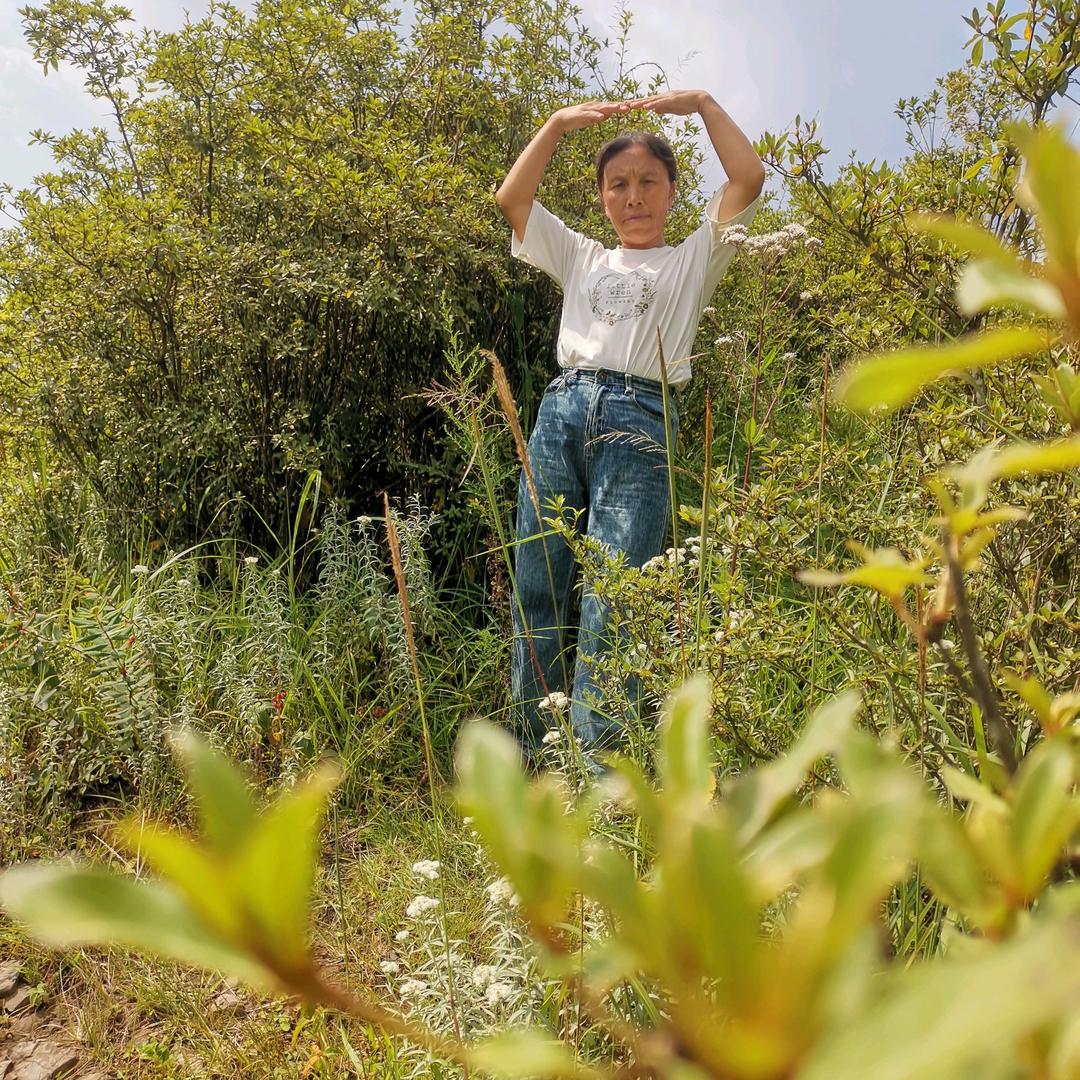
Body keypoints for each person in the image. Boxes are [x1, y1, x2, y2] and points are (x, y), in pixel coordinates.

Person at [495, 90, 765, 766]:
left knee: (615, 591)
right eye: (618, 185)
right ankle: (532, 758)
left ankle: (598, 770)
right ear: (603, 198)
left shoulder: (694, 258)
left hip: (641, 418)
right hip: (562, 409)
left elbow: (748, 178)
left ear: (674, 191)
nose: (634, 195)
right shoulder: (583, 254)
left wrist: (703, 104)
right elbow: (513, 200)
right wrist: (556, 123)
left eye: (648, 181)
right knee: (539, 578)